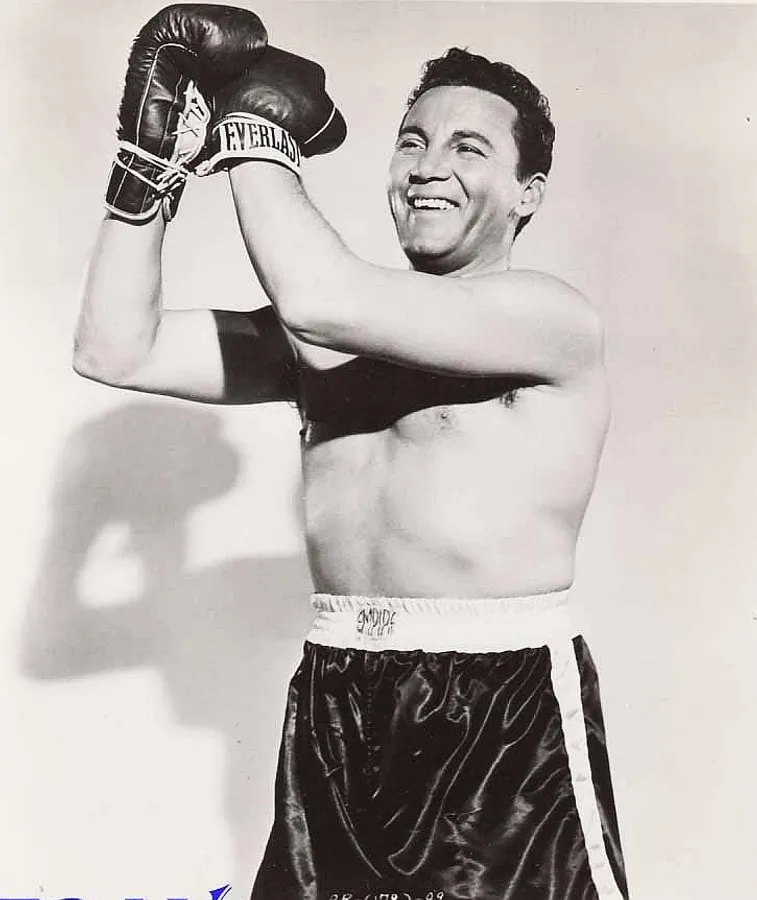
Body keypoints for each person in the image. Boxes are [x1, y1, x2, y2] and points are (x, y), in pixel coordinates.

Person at [73, 5, 629, 899]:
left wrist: (251, 132)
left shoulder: (547, 318)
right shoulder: (329, 341)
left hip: (498, 716)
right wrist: (146, 163)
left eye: (468, 148)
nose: (429, 167)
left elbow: (323, 298)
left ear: (528, 193)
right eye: (412, 142)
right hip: (335, 693)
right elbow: (115, 348)